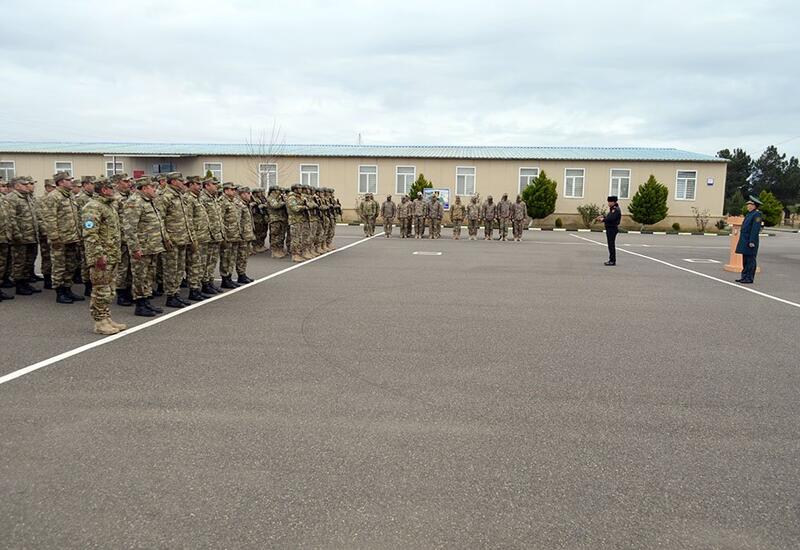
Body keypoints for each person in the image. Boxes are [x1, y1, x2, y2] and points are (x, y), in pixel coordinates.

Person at [81, 178, 127, 335]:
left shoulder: (108, 206)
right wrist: (99, 255)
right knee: (100, 290)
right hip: (101, 257)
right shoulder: (92, 208)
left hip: (112, 255)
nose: (113, 190)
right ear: (103, 190)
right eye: (110, 188)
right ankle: (99, 322)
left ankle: (106, 318)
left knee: (109, 290)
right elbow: (90, 234)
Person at [124, 177, 168, 317]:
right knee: (140, 276)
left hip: (152, 246)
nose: (154, 189)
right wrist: (135, 248)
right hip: (142, 247)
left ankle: (147, 301)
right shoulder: (134, 202)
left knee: (149, 275)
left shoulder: (149, 201)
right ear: (144, 188)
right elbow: (130, 228)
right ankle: (140, 304)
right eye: (151, 187)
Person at [41, 171, 85, 304]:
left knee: (70, 265)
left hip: (72, 237)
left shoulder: (70, 195)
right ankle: (60, 292)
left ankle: (67, 288)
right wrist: (54, 238)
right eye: (68, 180)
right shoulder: (53, 196)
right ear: (60, 182)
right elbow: (49, 218)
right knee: (59, 265)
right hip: (60, 239)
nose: (71, 181)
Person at [157, 172, 195, 307]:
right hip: (172, 240)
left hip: (182, 239)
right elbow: (160, 219)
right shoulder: (164, 197)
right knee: (170, 269)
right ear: (173, 181)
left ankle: (176, 293)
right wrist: (166, 238)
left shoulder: (179, 195)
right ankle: (170, 296)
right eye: (180, 180)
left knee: (179, 268)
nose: (183, 183)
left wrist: (191, 237)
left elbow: (186, 219)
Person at [7, 176, 42, 295]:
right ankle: (19, 285)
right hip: (21, 237)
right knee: (19, 262)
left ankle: (25, 282)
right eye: (24, 184)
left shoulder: (27, 197)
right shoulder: (12, 198)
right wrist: (17, 235)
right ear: (17, 186)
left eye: (28, 184)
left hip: (31, 236)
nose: (28, 186)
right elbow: (11, 219)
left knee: (29, 261)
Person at [199, 177, 224, 294]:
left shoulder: (213, 198)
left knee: (212, 260)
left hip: (215, 234)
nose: (216, 186)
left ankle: (209, 281)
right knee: (205, 260)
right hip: (206, 235)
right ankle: (204, 283)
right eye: (214, 184)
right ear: (207, 185)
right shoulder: (202, 198)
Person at [219, 182, 243, 286]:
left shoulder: (233, 201)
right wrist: (223, 235)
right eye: (232, 189)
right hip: (228, 235)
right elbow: (220, 219)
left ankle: (229, 276)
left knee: (232, 257)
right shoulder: (222, 201)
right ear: (226, 190)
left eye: (234, 190)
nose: (234, 191)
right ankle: (225, 278)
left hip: (235, 234)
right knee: (226, 257)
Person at [735, 196, 763, 284]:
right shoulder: (749, 214)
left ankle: (749, 278)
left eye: (749, 204)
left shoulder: (757, 215)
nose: (748, 206)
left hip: (750, 241)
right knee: (745, 260)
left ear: (754, 206)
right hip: (745, 240)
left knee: (750, 260)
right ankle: (744, 276)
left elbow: (755, 229)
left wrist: (752, 241)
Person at [236, 186, 255, 284]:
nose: (250, 195)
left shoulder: (245, 204)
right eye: (248, 193)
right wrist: (239, 234)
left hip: (247, 234)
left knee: (245, 255)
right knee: (241, 255)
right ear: (242, 194)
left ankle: (242, 274)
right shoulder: (239, 204)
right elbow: (237, 221)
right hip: (242, 235)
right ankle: (241, 274)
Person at [596, 195, 621, 265]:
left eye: (610, 202)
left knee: (611, 245)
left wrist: (602, 219)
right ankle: (611, 260)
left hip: (612, 229)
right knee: (610, 245)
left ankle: (612, 261)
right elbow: (609, 216)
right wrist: (603, 216)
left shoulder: (615, 209)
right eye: (608, 202)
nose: (608, 203)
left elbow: (611, 219)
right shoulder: (612, 209)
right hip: (610, 229)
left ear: (613, 202)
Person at [286, 184, 308, 262]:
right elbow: (294, 208)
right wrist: (303, 207)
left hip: (299, 220)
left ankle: (298, 253)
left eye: (301, 188)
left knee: (299, 238)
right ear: (294, 189)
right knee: (295, 238)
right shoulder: (291, 198)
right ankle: (295, 255)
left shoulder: (299, 197)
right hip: (294, 220)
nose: (300, 189)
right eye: (298, 188)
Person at [266, 185, 288, 258]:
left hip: (281, 219)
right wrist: (284, 202)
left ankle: (279, 249)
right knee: (275, 235)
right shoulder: (271, 198)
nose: (280, 192)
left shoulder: (278, 198)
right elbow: (275, 205)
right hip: (274, 219)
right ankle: (274, 251)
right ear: (274, 191)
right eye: (279, 191)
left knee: (281, 236)